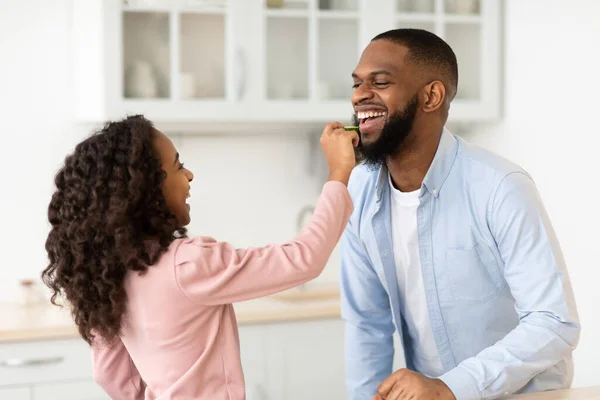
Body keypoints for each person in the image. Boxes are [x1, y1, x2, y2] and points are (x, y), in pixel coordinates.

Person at [41, 115, 358, 399]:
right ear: (145, 189)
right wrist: (339, 172)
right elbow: (304, 258)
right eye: (178, 166)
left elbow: (111, 376)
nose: (189, 175)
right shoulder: (188, 265)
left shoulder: (106, 278)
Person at [341, 28, 580, 400]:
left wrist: (450, 387)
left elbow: (554, 322)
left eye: (380, 82)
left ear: (431, 96)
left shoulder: (500, 186)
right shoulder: (358, 188)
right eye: (357, 84)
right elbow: (366, 323)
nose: (359, 95)